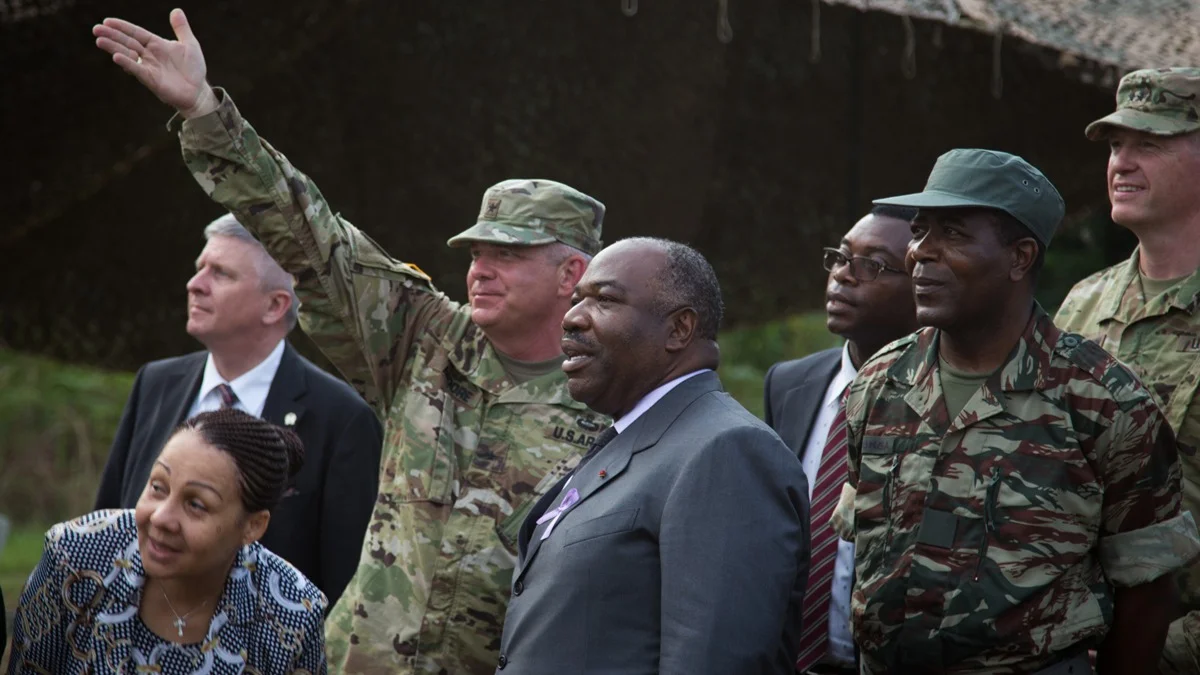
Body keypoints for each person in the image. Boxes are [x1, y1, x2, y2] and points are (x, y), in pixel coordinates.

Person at [93, 11, 610, 673]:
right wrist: (204, 112)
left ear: (571, 274)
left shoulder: (613, 402)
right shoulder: (425, 339)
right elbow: (312, 236)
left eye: (508, 256)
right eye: (476, 253)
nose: (480, 269)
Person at [831, 148, 1200, 674]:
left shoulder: (1103, 401)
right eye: (919, 231)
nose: (920, 253)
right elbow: (859, 553)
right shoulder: (879, 382)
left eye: (952, 233)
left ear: (1020, 257)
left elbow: (1147, 589)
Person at [497, 238, 810, 674]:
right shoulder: (634, 437)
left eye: (605, 300)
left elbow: (713, 662)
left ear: (679, 329)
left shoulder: (727, 451)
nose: (571, 318)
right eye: (576, 300)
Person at [94, 213, 382, 608]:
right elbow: (107, 527)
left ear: (275, 305)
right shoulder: (155, 383)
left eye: (221, 273)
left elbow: (346, 585)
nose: (195, 284)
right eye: (200, 268)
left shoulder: (343, 419)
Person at [1054, 67, 1200, 674]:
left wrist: (1156, 652)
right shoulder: (1082, 305)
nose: (1121, 163)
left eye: (1150, 143)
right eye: (1116, 145)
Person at [7, 409, 326, 674]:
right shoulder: (75, 555)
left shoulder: (294, 612)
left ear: (253, 526)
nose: (160, 517)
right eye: (158, 487)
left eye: (196, 504)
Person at [763, 204, 918, 674]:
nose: (842, 276)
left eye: (872, 265)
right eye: (841, 257)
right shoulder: (789, 384)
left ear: (924, 284)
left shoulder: (941, 400)